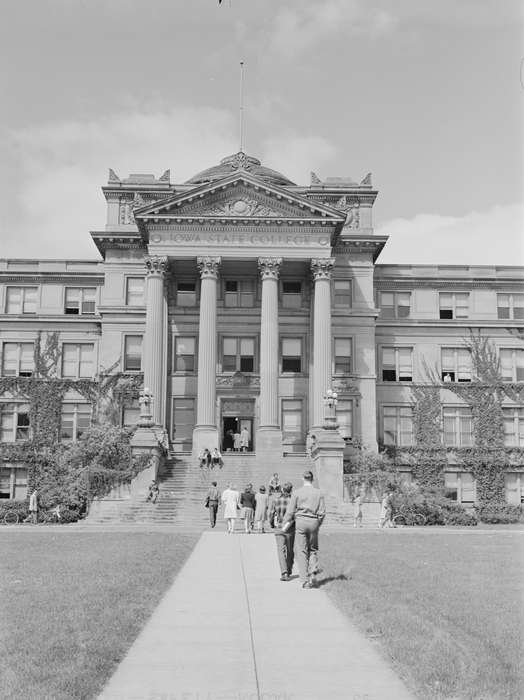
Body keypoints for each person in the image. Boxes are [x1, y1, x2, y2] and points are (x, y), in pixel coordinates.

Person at [283, 470, 325, 589]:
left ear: (303, 478)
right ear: (313, 479)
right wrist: (318, 524)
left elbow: (290, 511)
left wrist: (284, 523)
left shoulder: (297, 493)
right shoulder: (319, 493)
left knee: (301, 550)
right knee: (313, 549)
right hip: (314, 522)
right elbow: (322, 512)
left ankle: (305, 580)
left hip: (300, 522)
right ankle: (312, 572)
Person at [269, 482, 295, 581]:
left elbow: (271, 514)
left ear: (282, 490)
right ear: (291, 490)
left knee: (280, 550)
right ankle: (288, 570)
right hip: (290, 527)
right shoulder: (293, 501)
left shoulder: (276, 500)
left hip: (279, 527)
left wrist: (271, 524)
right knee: (290, 550)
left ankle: (284, 572)